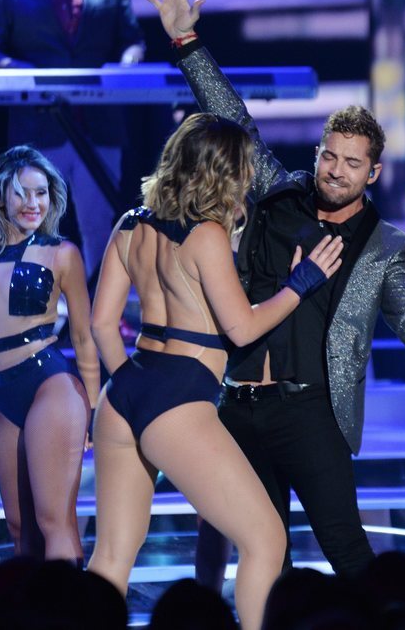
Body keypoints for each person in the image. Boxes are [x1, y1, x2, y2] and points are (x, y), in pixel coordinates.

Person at [144, 0, 405, 584]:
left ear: (373, 171)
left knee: (346, 548)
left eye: (351, 163)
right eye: (329, 156)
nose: (336, 171)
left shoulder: (385, 248)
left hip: (310, 410)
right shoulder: (276, 195)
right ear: (318, 153)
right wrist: (184, 38)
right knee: (265, 556)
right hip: (237, 403)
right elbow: (232, 117)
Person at [87, 113, 344, 630]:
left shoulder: (130, 223)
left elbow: (100, 324)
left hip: (123, 393)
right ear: (222, 173)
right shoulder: (205, 235)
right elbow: (243, 329)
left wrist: (136, 388)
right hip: (179, 396)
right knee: (266, 541)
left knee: (111, 558)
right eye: (243, 169)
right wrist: (303, 282)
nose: (248, 179)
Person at [0, 145, 99, 562]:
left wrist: (89, 409)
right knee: (20, 528)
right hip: (4, 399)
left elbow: (85, 338)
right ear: (2, 196)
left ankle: (71, 615)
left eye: (41, 193)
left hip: (50, 387)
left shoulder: (62, 254)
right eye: (21, 193)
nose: (32, 203)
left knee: (54, 520)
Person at [0, 0, 146, 278]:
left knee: (101, 226)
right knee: (29, 226)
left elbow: (132, 40)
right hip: (38, 128)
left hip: (100, 126)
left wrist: (126, 66)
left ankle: (101, 314)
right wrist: (35, 77)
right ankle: (34, 313)